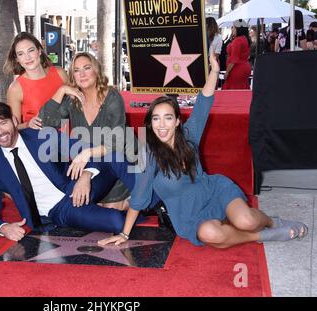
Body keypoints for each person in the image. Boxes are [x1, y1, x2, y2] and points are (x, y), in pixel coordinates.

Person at [99, 52, 308, 248]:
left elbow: (203, 103)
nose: (161, 125)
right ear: (150, 123)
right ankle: (263, 236)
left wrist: (215, 71)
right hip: (189, 216)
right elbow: (139, 197)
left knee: (247, 220)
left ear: (178, 121)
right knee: (211, 234)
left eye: (168, 118)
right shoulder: (150, 155)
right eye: (156, 119)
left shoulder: (189, 137)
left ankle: (271, 222)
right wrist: (125, 234)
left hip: (214, 191)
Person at [0, 102, 141, 242]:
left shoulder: (41, 136)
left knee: (113, 156)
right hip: (59, 209)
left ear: (14, 121)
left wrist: (87, 174)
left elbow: (84, 148)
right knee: (117, 222)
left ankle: (148, 202)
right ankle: (121, 210)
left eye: (3, 123)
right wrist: (4, 227)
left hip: (74, 185)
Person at [39, 52, 137, 211]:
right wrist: (62, 90)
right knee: (81, 205)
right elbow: (46, 123)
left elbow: (117, 144)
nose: (82, 74)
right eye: (76, 70)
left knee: (111, 208)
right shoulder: (72, 99)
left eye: (87, 68)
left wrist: (86, 154)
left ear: (96, 70)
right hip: (91, 163)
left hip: (119, 160)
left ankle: (138, 195)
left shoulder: (112, 97)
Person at [4, 32, 68, 130]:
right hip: (40, 142)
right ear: (17, 59)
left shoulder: (60, 73)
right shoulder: (15, 88)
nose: (27, 57)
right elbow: (13, 127)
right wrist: (28, 124)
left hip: (70, 138)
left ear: (39, 51)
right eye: (21, 54)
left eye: (31, 50)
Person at [222, 19, 251, 90]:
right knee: (242, 90)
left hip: (237, 69)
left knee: (233, 91)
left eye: (234, 27)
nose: (232, 29)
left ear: (238, 29)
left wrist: (227, 72)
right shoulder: (245, 38)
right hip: (244, 67)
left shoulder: (237, 41)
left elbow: (234, 59)